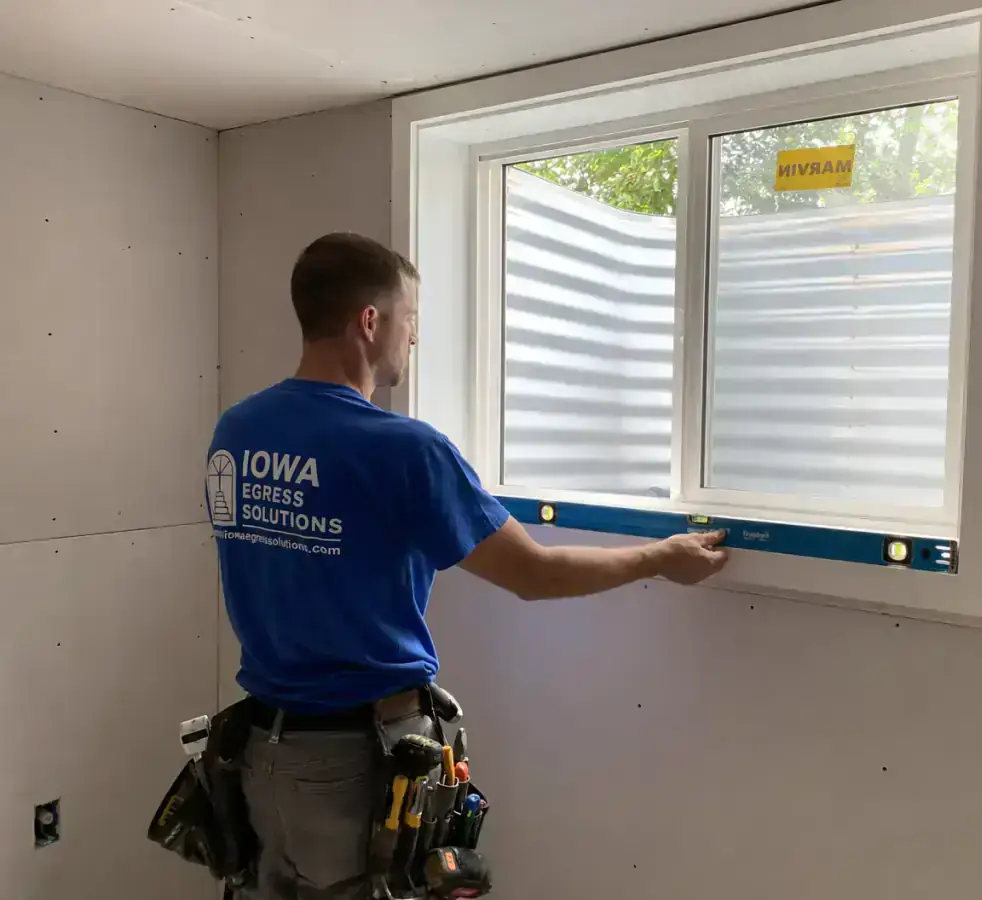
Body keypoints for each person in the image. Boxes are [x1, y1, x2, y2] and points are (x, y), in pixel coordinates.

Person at [205, 232, 729, 899]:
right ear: (370, 321)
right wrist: (661, 557)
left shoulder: (239, 430)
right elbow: (535, 574)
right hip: (354, 760)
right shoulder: (404, 451)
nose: (414, 337)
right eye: (410, 318)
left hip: (261, 752)